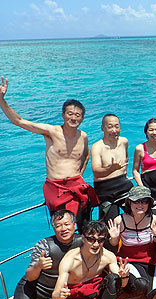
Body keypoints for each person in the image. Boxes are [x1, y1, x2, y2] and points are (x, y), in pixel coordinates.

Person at [0, 76, 98, 229]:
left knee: (84, 227)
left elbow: (86, 156)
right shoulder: (51, 132)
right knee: (63, 230)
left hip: (76, 186)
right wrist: (1, 99)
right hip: (56, 188)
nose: (73, 117)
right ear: (63, 115)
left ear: (82, 118)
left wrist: (79, 175)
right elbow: (19, 121)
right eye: (70, 114)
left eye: (77, 115)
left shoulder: (83, 136)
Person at [0, 210, 82, 299]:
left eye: (67, 224)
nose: (63, 229)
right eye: (58, 226)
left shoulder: (83, 242)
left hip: (53, 294)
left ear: (74, 225)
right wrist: (38, 265)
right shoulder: (44, 245)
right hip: (31, 289)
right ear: (53, 229)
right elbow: (30, 277)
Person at [52, 220, 130, 299]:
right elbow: (55, 295)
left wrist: (124, 277)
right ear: (83, 238)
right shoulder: (70, 260)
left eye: (100, 240)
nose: (96, 244)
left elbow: (121, 285)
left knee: (114, 278)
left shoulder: (107, 256)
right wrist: (60, 296)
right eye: (91, 239)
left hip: (98, 297)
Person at [108, 186, 156, 299]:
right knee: (140, 284)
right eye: (136, 201)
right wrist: (114, 238)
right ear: (129, 202)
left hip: (151, 261)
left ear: (149, 203)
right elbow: (113, 245)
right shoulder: (119, 220)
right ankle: (126, 286)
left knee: (153, 293)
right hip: (129, 261)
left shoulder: (153, 219)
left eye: (144, 201)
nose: (140, 205)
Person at [91, 113, 133, 223]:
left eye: (117, 126)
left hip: (123, 183)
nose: (114, 130)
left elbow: (126, 158)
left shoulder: (124, 141)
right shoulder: (97, 147)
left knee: (137, 214)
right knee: (110, 224)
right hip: (106, 189)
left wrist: (124, 173)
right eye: (110, 127)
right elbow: (96, 172)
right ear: (102, 128)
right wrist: (112, 169)